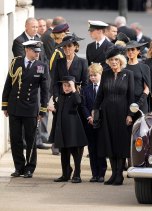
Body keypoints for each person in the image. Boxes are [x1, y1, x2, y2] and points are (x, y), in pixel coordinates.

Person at [2, 40, 49, 178]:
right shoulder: (16, 63)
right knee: (15, 139)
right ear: (27, 50)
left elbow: (45, 90)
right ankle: (19, 167)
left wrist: (43, 109)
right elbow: (8, 84)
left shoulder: (41, 66)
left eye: (38, 52)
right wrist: (5, 105)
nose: (37, 54)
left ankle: (30, 167)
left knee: (30, 139)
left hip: (30, 108)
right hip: (15, 106)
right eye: (35, 51)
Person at [93, 46, 134, 186]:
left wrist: (130, 115)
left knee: (120, 143)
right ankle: (113, 174)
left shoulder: (128, 74)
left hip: (122, 113)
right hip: (107, 113)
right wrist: (95, 109)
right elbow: (100, 95)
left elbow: (131, 97)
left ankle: (119, 175)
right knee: (109, 143)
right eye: (111, 60)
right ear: (108, 62)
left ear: (121, 60)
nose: (114, 62)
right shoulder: (105, 74)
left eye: (116, 59)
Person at [53, 76, 88, 183]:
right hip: (62, 128)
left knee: (75, 152)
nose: (67, 88)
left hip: (73, 129)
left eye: (69, 86)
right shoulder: (61, 97)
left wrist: (74, 89)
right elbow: (59, 111)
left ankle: (77, 174)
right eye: (65, 85)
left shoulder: (76, 96)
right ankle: (65, 173)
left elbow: (78, 102)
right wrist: (54, 110)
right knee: (64, 152)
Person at [81, 63, 107, 183]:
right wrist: (88, 117)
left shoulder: (105, 88)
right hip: (90, 123)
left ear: (100, 75)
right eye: (90, 76)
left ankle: (102, 173)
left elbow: (105, 104)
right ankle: (94, 173)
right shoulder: (86, 89)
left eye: (95, 75)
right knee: (92, 149)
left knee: (101, 148)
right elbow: (84, 105)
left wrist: (98, 117)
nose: (92, 78)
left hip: (101, 123)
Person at [47, 23, 70, 155]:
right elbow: (52, 73)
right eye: (65, 33)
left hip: (66, 90)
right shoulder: (57, 52)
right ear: (61, 35)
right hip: (59, 90)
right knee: (57, 118)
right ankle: (55, 144)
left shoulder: (63, 50)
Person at [52, 33, 88, 103]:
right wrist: (56, 96)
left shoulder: (83, 62)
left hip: (76, 98)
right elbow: (55, 82)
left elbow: (85, 83)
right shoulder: (59, 62)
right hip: (61, 98)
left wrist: (79, 96)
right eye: (64, 46)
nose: (67, 48)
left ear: (75, 47)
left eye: (69, 46)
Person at [125, 40, 151, 119]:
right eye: (128, 50)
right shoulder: (123, 67)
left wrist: (139, 103)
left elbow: (147, 88)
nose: (130, 52)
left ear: (138, 51)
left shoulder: (144, 67)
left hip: (141, 102)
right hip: (126, 102)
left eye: (133, 49)